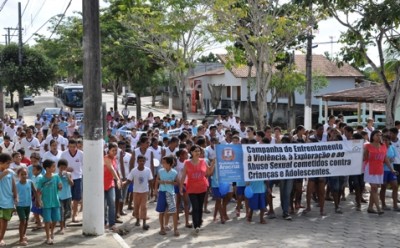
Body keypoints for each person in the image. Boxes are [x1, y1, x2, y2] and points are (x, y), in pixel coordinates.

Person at [179, 145, 215, 235]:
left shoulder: (203, 161)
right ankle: (196, 226)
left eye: (199, 151)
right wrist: (180, 187)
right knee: (195, 207)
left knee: (200, 207)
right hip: (191, 188)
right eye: (195, 151)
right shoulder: (187, 163)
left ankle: (199, 223)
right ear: (191, 152)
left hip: (202, 187)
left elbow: (209, 172)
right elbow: (183, 176)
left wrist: (213, 163)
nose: (197, 153)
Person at [364, 130, 395, 214]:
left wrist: (391, 169)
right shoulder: (367, 146)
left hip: (379, 169)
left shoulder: (383, 146)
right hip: (370, 168)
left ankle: (370, 207)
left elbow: (386, 159)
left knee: (375, 188)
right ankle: (378, 208)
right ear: (373, 136)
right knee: (374, 188)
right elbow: (364, 158)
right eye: (377, 135)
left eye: (380, 135)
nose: (379, 137)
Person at [36, 159, 62, 245]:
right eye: (53, 166)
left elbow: (60, 186)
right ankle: (48, 237)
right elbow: (38, 191)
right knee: (47, 220)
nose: (55, 168)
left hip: (55, 201)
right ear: (47, 168)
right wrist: (39, 201)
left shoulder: (56, 176)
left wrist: (60, 186)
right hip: (46, 202)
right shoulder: (41, 179)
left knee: (55, 219)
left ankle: (52, 232)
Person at [126, 155, 153, 230]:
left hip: (145, 191)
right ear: (137, 162)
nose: (141, 162)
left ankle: (144, 222)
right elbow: (129, 180)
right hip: (136, 191)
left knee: (144, 207)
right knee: (136, 206)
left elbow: (151, 181)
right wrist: (124, 183)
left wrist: (152, 191)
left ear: (145, 162)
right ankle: (137, 219)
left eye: (143, 161)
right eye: (140, 161)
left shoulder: (148, 170)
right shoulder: (134, 170)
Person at [155, 156, 179, 237]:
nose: (162, 164)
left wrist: (171, 182)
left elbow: (177, 183)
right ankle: (162, 228)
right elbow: (157, 180)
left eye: (164, 162)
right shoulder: (160, 171)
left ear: (169, 164)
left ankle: (175, 229)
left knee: (174, 212)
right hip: (162, 192)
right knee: (161, 211)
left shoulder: (174, 172)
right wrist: (156, 189)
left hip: (170, 193)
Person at [60, 139, 83, 223]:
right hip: (66, 178)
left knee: (76, 198)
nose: (72, 148)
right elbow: (60, 165)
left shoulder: (81, 154)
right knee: (67, 197)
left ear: (77, 146)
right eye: (70, 147)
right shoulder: (64, 154)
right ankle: (67, 214)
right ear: (68, 146)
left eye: (74, 147)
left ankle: (74, 216)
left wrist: (81, 174)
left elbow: (84, 165)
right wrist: (66, 169)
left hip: (78, 177)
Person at [16, 167, 39, 246]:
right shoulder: (16, 185)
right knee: (23, 221)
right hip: (20, 205)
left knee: (26, 220)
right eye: (22, 174)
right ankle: (21, 239)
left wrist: (37, 200)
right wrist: (13, 205)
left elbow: (35, 192)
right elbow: (14, 195)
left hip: (28, 205)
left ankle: (24, 234)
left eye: (25, 174)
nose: (24, 176)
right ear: (18, 175)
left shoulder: (30, 182)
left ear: (27, 174)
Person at [104, 142, 122, 232]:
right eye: (113, 150)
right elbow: (111, 168)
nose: (115, 152)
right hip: (102, 184)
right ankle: (104, 223)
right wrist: (118, 179)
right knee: (103, 205)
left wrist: (119, 179)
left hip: (111, 184)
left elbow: (115, 169)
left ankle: (112, 223)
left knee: (112, 203)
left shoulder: (115, 158)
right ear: (109, 150)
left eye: (116, 150)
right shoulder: (106, 158)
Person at [380, 134, 400, 211]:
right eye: (383, 140)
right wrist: (386, 160)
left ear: (389, 140)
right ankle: (383, 204)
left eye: (386, 140)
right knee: (383, 187)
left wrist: (388, 160)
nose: (384, 141)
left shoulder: (392, 147)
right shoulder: (380, 148)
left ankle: (395, 205)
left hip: (391, 170)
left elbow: (394, 157)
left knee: (395, 186)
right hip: (383, 170)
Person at [0, 153, 16, 247]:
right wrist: (3, 174)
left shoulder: (10, 172)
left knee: (4, 220)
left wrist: (16, 195)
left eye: (10, 163)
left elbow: (13, 184)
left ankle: (1, 238)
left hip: (8, 200)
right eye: (7, 163)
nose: (9, 165)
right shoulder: (5, 172)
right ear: (0, 162)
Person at [175, 149, 192, 228]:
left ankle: (187, 221)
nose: (187, 155)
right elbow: (175, 174)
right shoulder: (176, 162)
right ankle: (177, 219)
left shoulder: (188, 162)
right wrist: (179, 184)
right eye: (185, 154)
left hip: (186, 183)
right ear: (181, 155)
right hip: (178, 184)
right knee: (177, 202)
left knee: (186, 202)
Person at [57, 159, 74, 234]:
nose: (63, 169)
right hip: (60, 197)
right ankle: (62, 227)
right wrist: (60, 176)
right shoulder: (56, 176)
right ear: (58, 167)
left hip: (68, 196)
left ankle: (63, 223)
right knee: (61, 212)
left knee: (68, 212)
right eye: (61, 167)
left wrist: (67, 176)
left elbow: (72, 184)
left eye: (64, 167)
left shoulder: (69, 174)